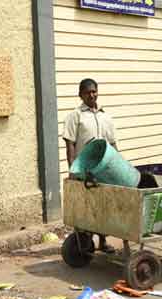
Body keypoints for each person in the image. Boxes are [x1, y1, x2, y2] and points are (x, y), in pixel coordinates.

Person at [63, 78, 117, 253]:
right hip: (84, 170)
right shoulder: (75, 116)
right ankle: (83, 243)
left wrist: (119, 164)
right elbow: (70, 143)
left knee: (102, 205)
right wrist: (72, 169)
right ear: (80, 95)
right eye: (87, 92)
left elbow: (113, 144)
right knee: (84, 206)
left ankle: (102, 241)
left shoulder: (105, 116)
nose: (91, 95)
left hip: (104, 170)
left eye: (94, 91)